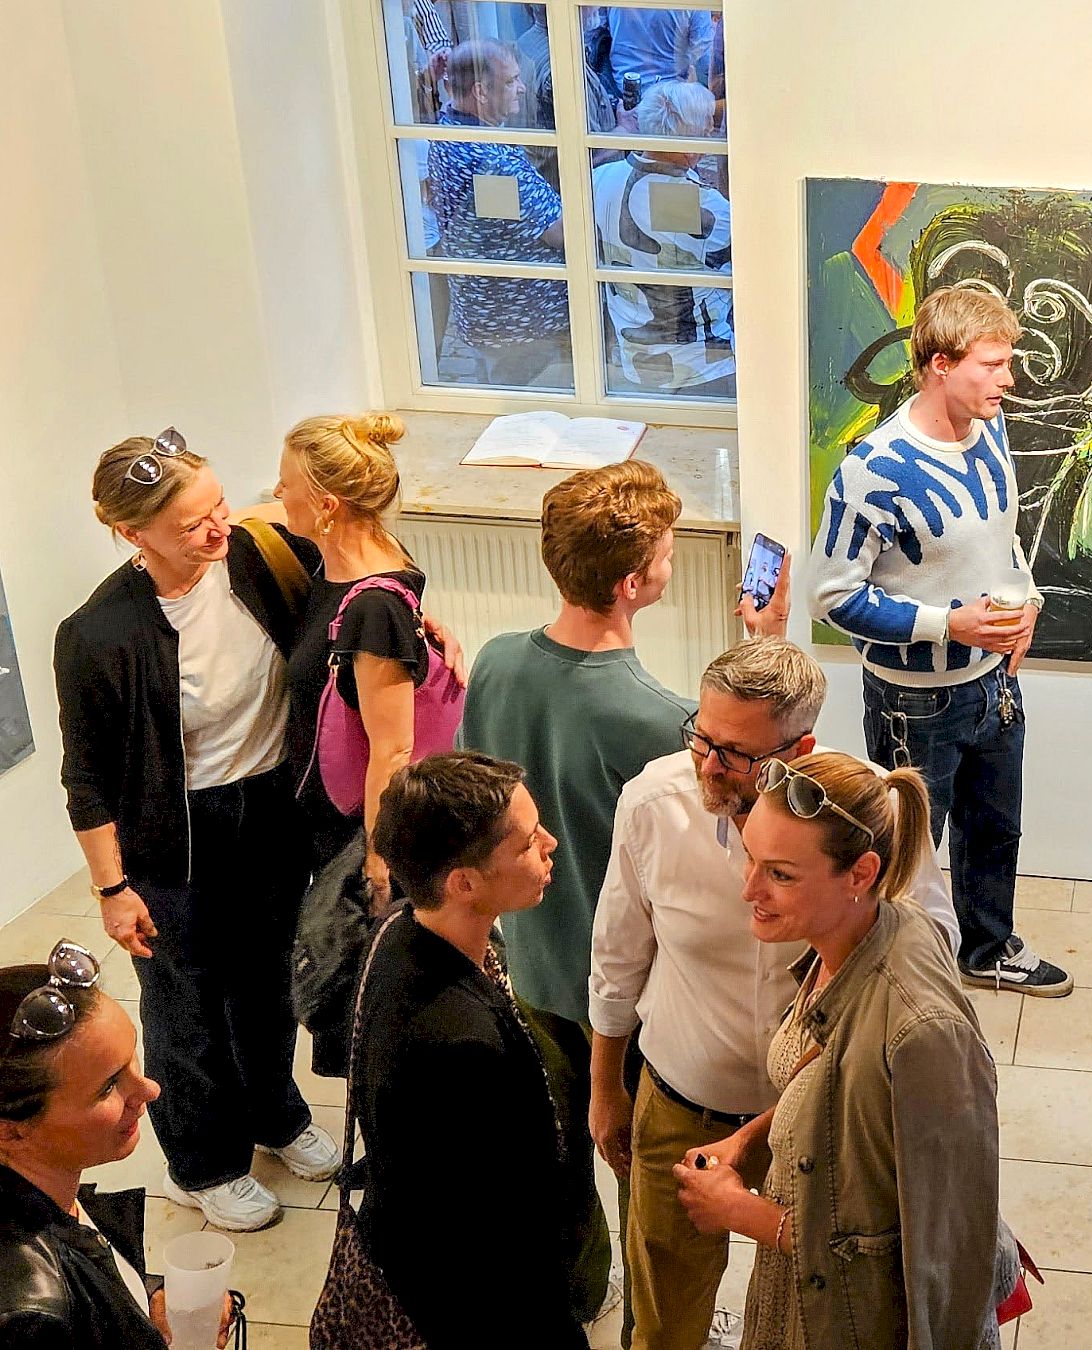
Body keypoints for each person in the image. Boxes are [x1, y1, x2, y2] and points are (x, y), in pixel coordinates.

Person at [593, 637, 957, 1350]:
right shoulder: (651, 804)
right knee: (665, 1313)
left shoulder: (860, 811)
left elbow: (927, 941)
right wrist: (607, 1087)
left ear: (802, 747)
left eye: (735, 752)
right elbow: (617, 957)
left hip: (820, 1115)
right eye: (702, 737)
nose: (709, 765)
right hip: (687, 1100)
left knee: (810, 1306)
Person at [54, 431, 335, 1234]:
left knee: (269, 981)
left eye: (217, 507)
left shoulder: (253, 557)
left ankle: (276, 1116)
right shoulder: (98, 634)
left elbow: (347, 604)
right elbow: (87, 778)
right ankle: (203, 1161)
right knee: (187, 1007)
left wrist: (423, 630)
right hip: (173, 838)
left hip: (270, 807)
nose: (218, 530)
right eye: (190, 525)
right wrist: (112, 888)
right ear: (129, 532)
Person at [456, 458, 701, 1331]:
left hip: (528, 965)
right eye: (668, 552)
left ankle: (575, 1291)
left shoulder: (494, 663)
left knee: (557, 1153)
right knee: (647, 1159)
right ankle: (658, 1304)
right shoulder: (657, 718)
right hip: (624, 996)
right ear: (637, 582)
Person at [670, 752, 1003, 1349]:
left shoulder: (920, 1030)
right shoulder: (854, 937)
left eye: (781, 874)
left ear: (860, 873)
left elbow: (931, 1243)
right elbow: (835, 1092)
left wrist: (743, 1213)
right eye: (751, 858)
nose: (750, 890)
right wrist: (748, 1141)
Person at [807, 284, 1070, 997]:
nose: (1009, 379)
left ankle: (986, 949)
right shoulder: (873, 469)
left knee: (996, 830)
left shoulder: (992, 430)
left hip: (994, 683)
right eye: (993, 363)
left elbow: (1002, 537)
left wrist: (1030, 597)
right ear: (939, 364)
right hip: (913, 703)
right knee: (906, 857)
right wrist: (945, 625)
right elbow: (831, 596)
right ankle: (904, 982)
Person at [354, 752, 587, 1348]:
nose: (551, 844)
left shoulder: (406, 931)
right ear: (463, 882)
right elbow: (490, 1234)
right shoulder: (455, 1042)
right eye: (527, 843)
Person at [0, 943, 232, 1349]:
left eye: (132, 1062)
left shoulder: (49, 1191)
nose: (150, 1089)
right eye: (109, 1085)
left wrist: (145, 1296)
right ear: (11, 1131)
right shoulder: (28, 1322)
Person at [273, 414, 438, 892]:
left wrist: (377, 855)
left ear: (327, 505)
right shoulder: (362, 548)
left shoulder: (373, 607)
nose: (277, 494)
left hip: (354, 828)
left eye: (286, 485)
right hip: (332, 820)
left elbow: (393, 748)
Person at [426, 39, 573, 387]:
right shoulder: (494, 164)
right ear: (480, 91)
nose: (522, 89)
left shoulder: (445, 127)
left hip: (483, 315)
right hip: (523, 328)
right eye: (511, 81)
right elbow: (561, 233)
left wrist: (446, 74)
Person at [593, 82, 736, 400]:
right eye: (708, 129)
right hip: (704, 368)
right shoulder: (700, 206)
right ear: (692, 138)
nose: (712, 135)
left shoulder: (599, 178)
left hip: (634, 362)